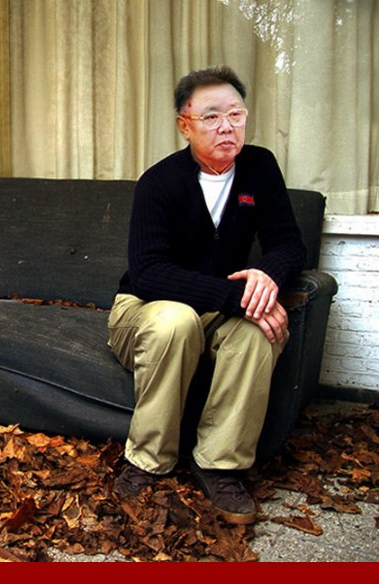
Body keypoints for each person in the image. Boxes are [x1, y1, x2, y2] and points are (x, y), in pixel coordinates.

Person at [108, 66, 306, 524]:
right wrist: (237, 296)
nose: (227, 127)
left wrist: (265, 278)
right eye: (212, 117)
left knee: (258, 332)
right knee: (176, 321)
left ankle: (220, 464)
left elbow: (288, 244)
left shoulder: (259, 168)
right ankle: (147, 459)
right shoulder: (159, 182)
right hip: (145, 308)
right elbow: (149, 273)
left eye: (236, 114)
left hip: (217, 311)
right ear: (185, 124)